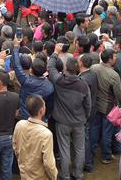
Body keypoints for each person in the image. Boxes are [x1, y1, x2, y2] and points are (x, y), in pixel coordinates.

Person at [47, 47, 91, 180]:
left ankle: (65, 175)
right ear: (77, 68)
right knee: (79, 148)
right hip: (79, 122)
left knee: (64, 149)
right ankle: (78, 174)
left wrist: (55, 52)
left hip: (62, 122)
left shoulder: (59, 80)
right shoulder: (83, 85)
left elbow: (50, 67)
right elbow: (88, 105)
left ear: (66, 68)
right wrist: (85, 117)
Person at [12, 94, 57, 180]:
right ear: (41, 110)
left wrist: (22, 164)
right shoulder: (46, 134)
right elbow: (49, 163)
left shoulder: (19, 125)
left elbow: (15, 146)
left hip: (24, 174)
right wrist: (54, 176)